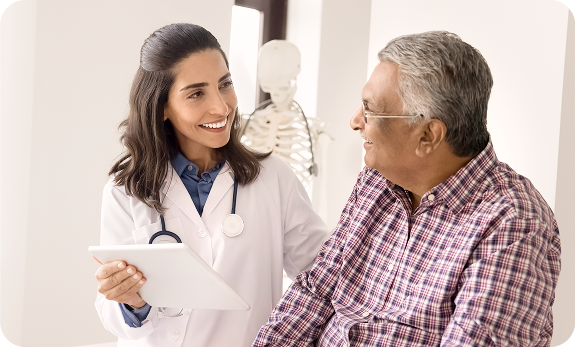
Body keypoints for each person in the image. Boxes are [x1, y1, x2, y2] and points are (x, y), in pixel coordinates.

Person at [253, 31, 561, 346]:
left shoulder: (514, 222)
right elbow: (316, 290)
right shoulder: (375, 181)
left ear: (428, 135)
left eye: (369, 109)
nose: (355, 121)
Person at [93, 23, 329, 347]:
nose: (221, 106)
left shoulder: (274, 178)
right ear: (162, 106)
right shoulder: (126, 192)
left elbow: (328, 277)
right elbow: (113, 316)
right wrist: (131, 300)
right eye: (196, 93)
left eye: (225, 84)